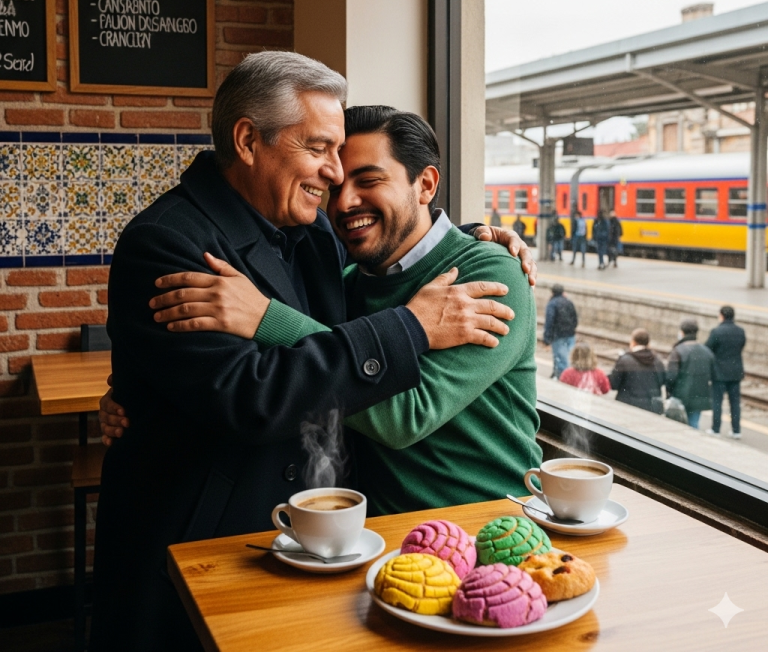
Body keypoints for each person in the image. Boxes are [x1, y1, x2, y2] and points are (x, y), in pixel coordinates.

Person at [90, 54, 533, 652]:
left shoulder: (315, 233)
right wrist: (411, 326)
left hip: (369, 533)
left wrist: (479, 238)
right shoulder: (166, 242)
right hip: (207, 541)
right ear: (248, 141)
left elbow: (382, 278)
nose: (334, 181)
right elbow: (253, 396)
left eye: (354, 168)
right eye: (321, 149)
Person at [105, 106, 542, 518]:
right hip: (378, 539)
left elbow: (408, 415)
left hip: (487, 526)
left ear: (426, 185)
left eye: (368, 180)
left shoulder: (490, 272)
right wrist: (141, 390)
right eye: (336, 185)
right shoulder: (347, 278)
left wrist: (264, 316)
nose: (344, 202)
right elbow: (327, 366)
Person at [666, 318, 716, 430]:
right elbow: (713, 375)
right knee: (693, 426)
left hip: (680, 396)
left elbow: (671, 377)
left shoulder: (678, 350)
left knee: (675, 427)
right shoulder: (707, 352)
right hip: (699, 397)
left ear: (682, 332)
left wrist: (669, 394)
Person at [705, 306, 746, 439]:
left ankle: (716, 429)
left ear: (722, 315)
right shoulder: (740, 331)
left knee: (717, 401)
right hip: (735, 372)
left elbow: (708, 348)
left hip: (719, 373)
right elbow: (741, 346)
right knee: (735, 403)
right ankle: (736, 431)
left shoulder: (716, 332)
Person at [608, 328, 666, 413]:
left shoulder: (625, 360)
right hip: (652, 408)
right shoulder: (658, 361)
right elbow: (662, 381)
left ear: (633, 342)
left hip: (626, 407)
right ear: (648, 343)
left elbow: (613, 384)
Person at [543, 284, 578, 379]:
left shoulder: (552, 304)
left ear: (552, 292)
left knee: (560, 359)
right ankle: (556, 374)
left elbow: (549, 322)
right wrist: (572, 329)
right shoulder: (568, 302)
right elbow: (575, 318)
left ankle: (562, 378)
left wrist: (546, 339)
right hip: (570, 334)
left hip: (558, 335)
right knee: (566, 357)